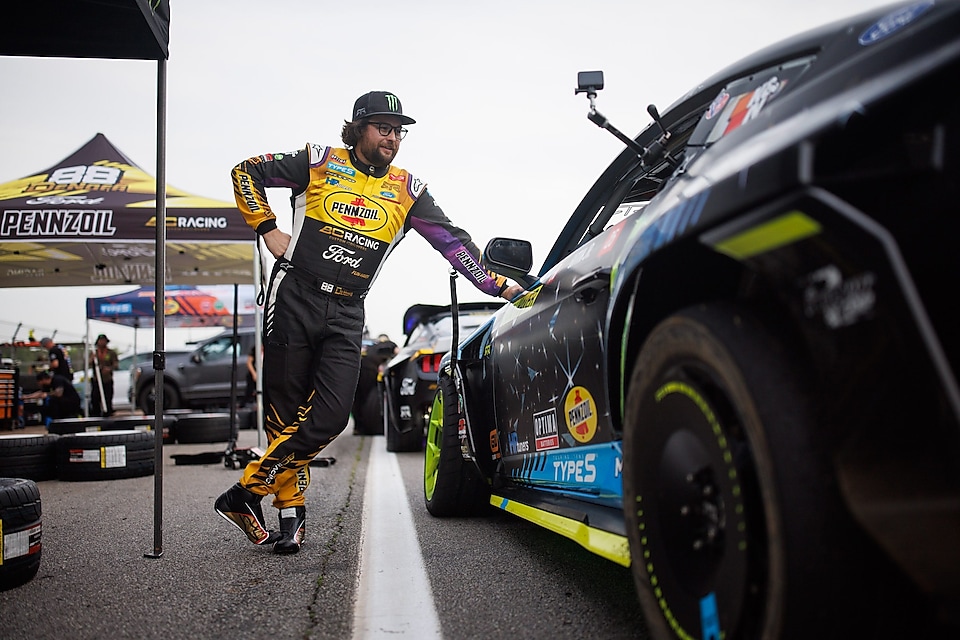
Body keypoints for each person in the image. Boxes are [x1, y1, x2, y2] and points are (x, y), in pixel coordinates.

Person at [215, 90, 524, 554]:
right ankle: (290, 517)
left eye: (399, 131)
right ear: (359, 128)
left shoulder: (408, 190)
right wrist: (267, 227)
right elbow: (245, 172)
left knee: (332, 415)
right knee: (287, 412)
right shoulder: (317, 161)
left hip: (347, 311)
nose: (393, 138)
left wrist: (497, 285)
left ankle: (245, 493)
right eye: (384, 127)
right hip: (294, 294)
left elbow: (452, 242)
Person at [89, 333, 119, 417]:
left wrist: (109, 368)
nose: (102, 342)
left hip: (107, 379)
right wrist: (92, 358)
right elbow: (88, 363)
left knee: (107, 398)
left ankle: (108, 413)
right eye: (100, 341)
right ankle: (96, 415)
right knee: (95, 398)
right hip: (96, 379)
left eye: (104, 341)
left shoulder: (111, 353)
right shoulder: (94, 353)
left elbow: (116, 364)